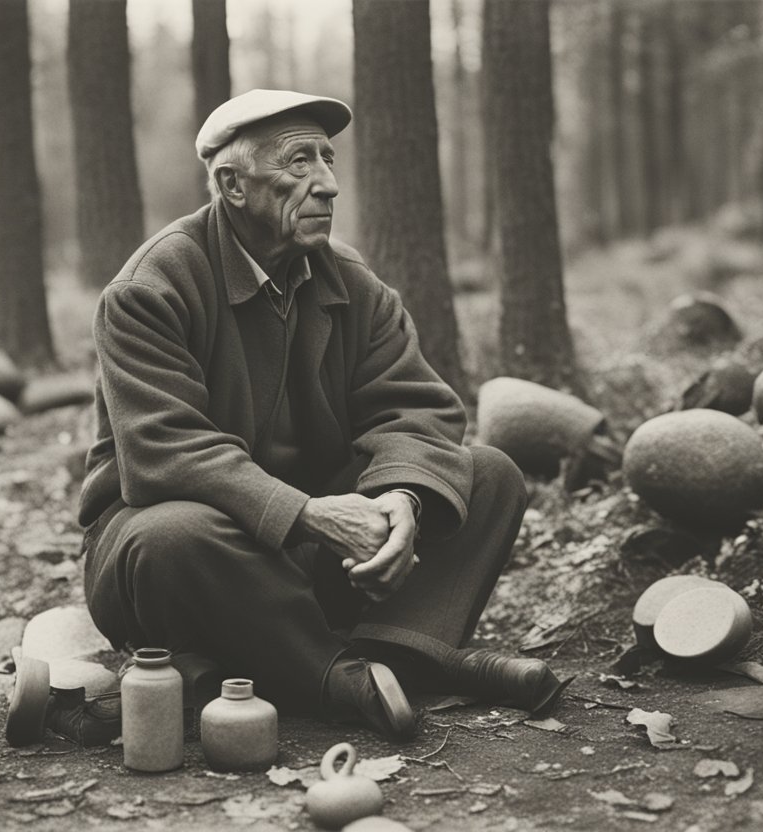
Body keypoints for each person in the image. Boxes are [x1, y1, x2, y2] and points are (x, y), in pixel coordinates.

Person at [74, 89, 569, 742]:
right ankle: (340, 678)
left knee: (488, 473)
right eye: (299, 162)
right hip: (184, 558)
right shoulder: (149, 291)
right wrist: (311, 515)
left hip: (314, 554)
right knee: (173, 535)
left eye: (328, 160)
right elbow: (165, 452)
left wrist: (403, 500)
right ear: (234, 184)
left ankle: (392, 657)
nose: (328, 185)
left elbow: (416, 409)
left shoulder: (355, 284)